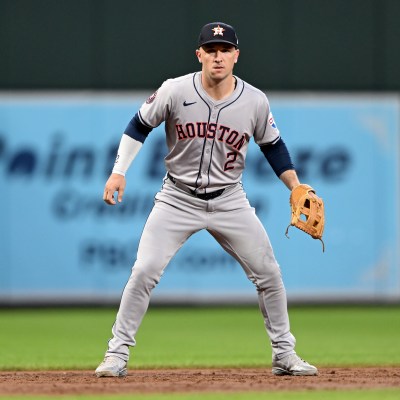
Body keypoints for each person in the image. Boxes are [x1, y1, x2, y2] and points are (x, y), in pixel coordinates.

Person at [95, 22, 318, 378]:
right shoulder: (174, 90)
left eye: (225, 49)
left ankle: (285, 355)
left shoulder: (255, 100)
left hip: (230, 199)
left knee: (269, 274)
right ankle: (116, 356)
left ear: (236, 56)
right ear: (199, 54)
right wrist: (119, 171)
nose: (218, 56)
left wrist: (294, 184)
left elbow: (273, 146)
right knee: (144, 271)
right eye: (211, 50)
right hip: (177, 199)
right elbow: (139, 125)